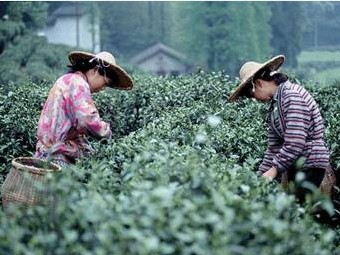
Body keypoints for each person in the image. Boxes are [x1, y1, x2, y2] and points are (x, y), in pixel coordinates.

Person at [229, 55, 335, 203]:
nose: (254, 99)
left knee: (296, 209)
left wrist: (273, 170)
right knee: (292, 208)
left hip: (310, 164)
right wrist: (259, 177)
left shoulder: (292, 95)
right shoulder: (275, 106)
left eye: (250, 94)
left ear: (258, 84)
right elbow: (274, 148)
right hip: (295, 164)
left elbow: (295, 141)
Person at [35, 51, 133, 166]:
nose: (103, 88)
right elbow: (87, 120)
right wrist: (107, 132)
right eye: (105, 83)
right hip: (57, 157)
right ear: (95, 70)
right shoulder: (78, 84)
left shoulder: (67, 79)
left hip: (45, 152)